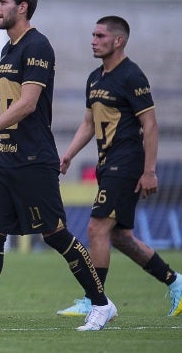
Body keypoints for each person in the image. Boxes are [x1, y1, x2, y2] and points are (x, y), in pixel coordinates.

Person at [0, 0, 115, 332]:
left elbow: (27, 104)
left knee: (55, 234)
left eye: (2, 1)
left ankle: (101, 303)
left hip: (33, 159)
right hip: (4, 159)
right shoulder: (8, 49)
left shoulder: (37, 45)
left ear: (22, 7)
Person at [57, 16, 182, 318]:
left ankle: (94, 300)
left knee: (96, 227)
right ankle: (175, 282)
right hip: (106, 164)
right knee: (120, 237)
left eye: (100, 36)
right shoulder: (95, 77)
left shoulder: (132, 76)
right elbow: (89, 122)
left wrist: (149, 170)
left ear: (118, 41)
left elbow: (150, 125)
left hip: (125, 164)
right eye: (93, 35)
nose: (93, 40)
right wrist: (69, 154)